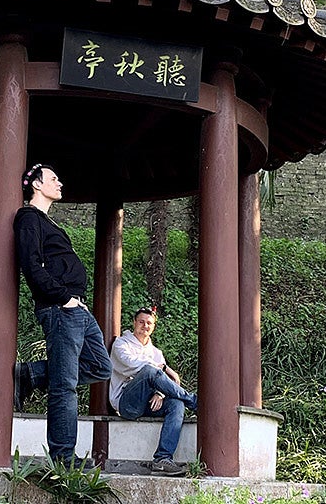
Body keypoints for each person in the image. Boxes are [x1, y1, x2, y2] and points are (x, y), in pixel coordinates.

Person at [13, 163, 113, 465]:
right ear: (37, 186)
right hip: (61, 308)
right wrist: (64, 297)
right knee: (64, 387)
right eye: (54, 179)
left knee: (100, 366)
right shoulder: (28, 218)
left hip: (76, 308)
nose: (60, 183)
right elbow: (31, 266)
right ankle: (64, 460)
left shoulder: (49, 223)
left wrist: (74, 301)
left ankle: (28, 374)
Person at [109, 307, 197, 476]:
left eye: (149, 323)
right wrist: (162, 368)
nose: (145, 326)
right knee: (149, 371)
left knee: (176, 405)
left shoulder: (156, 352)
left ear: (154, 326)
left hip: (149, 404)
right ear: (134, 323)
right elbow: (133, 365)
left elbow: (170, 380)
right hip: (127, 404)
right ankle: (193, 401)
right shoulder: (121, 344)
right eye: (141, 322)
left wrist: (160, 394)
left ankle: (163, 459)